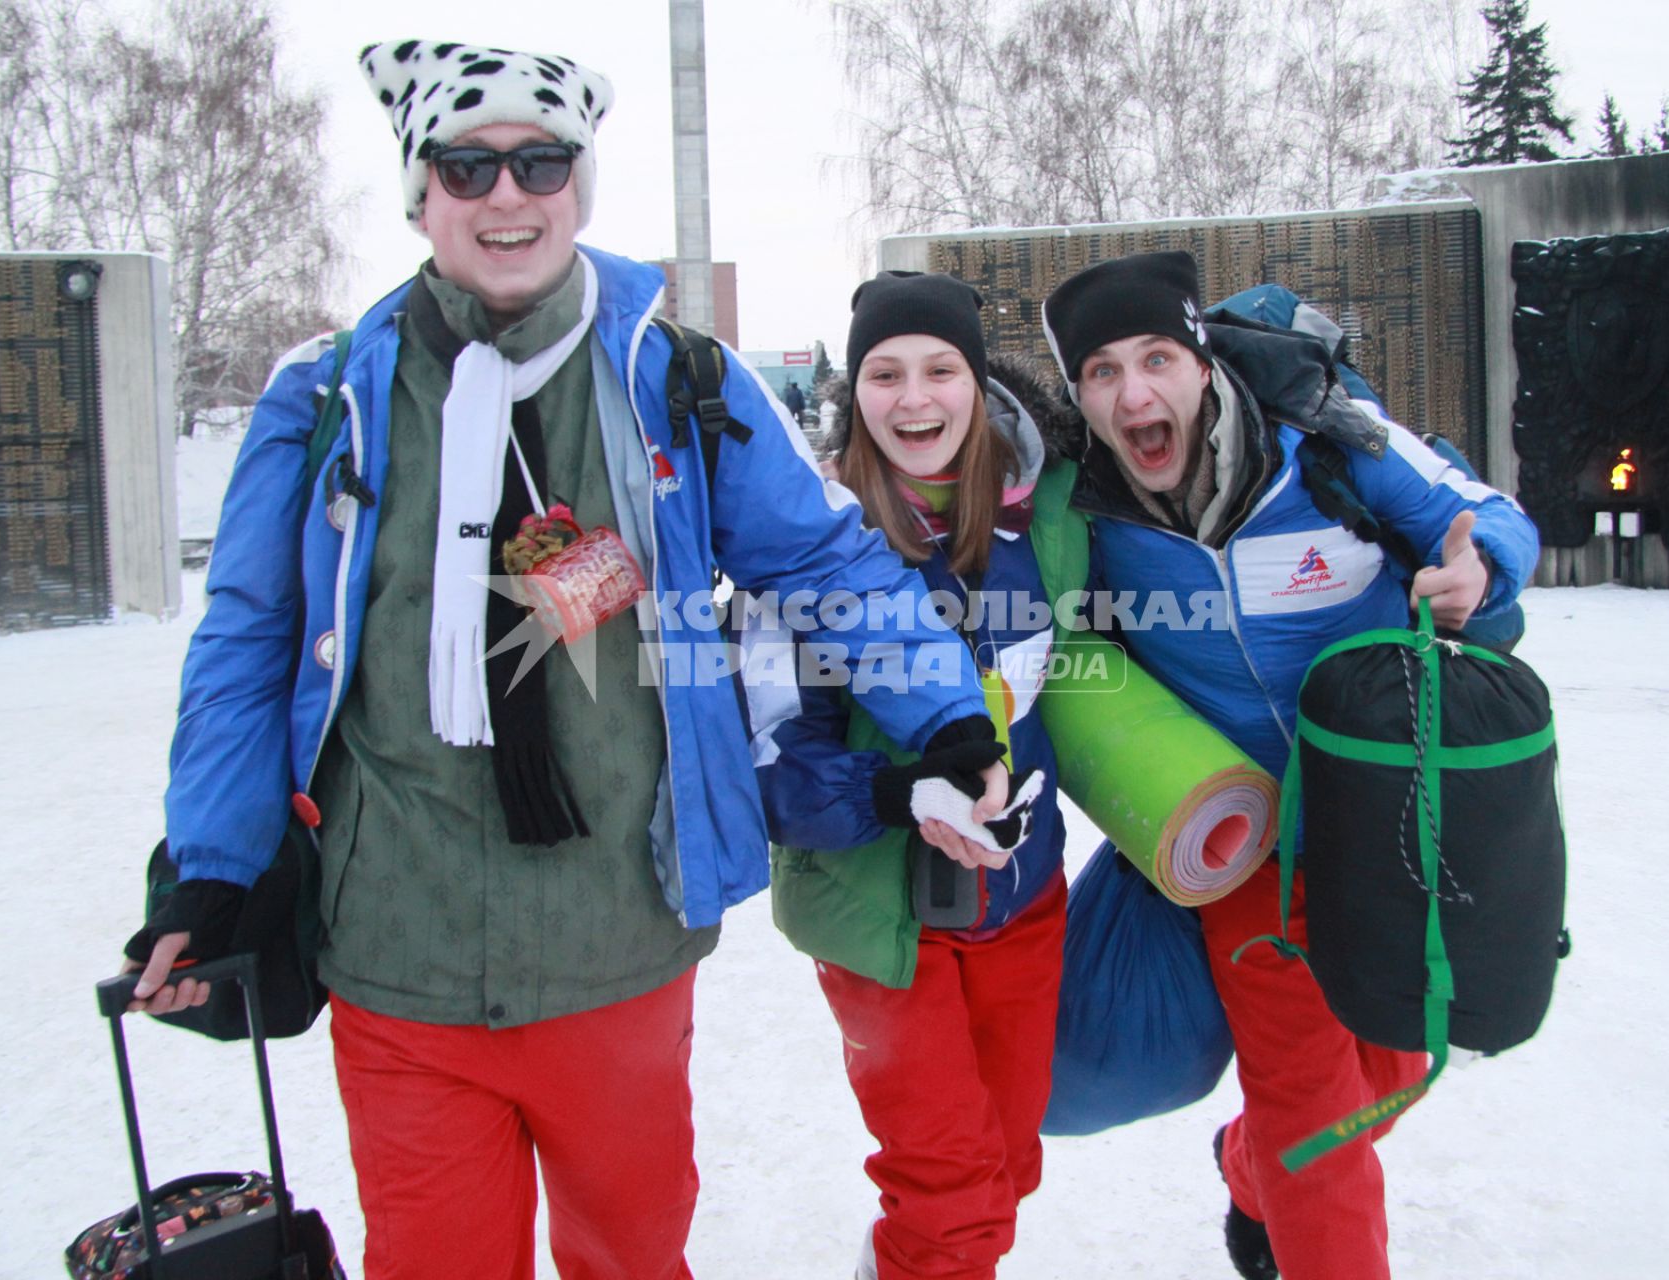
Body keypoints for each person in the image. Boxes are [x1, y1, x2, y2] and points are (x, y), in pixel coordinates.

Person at [121, 40, 1014, 1280]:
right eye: (467, 164)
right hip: (401, 951)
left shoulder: (675, 374)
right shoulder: (328, 391)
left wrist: (946, 719)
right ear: (417, 192)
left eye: (541, 161)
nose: (507, 193)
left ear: (579, 186)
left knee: (632, 1256)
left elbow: (828, 565)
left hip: (620, 942)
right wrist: (211, 870)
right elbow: (246, 636)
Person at [1038, 250, 1539, 1280]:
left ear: (1203, 360)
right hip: (1250, 844)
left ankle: (1252, 1157)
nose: (1135, 393)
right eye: (1100, 373)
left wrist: (1478, 568)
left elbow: (1484, 515)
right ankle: (1289, 1168)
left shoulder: (1328, 444)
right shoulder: (1082, 510)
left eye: (1157, 357)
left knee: (1398, 1059)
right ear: (1080, 397)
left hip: (1391, 818)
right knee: (1314, 1108)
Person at [747, 272, 1068, 1280]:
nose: (914, 397)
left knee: (1006, 1172)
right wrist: (895, 794)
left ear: (979, 384)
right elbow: (773, 759)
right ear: (855, 393)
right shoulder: (807, 538)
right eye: (885, 373)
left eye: (940, 369)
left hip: (1020, 900)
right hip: (878, 916)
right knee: (950, 1187)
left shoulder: (1042, 524)